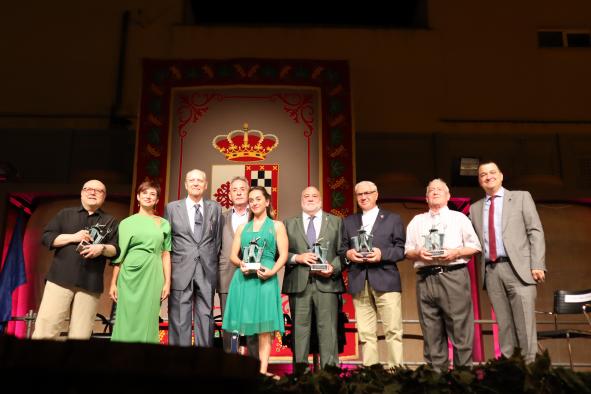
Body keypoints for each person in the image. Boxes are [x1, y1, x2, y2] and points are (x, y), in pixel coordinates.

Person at [470, 161, 546, 363]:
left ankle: (530, 372)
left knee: (525, 327)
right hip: (492, 271)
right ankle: (509, 372)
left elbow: (535, 231)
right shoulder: (475, 208)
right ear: (479, 181)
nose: (488, 176)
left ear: (501, 176)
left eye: (492, 172)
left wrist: (537, 263)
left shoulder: (521, 197)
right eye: (483, 174)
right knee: (504, 326)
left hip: (519, 270)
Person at [405, 179, 481, 371]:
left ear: (448, 196)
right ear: (426, 197)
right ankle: (436, 382)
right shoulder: (417, 221)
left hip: (453, 275)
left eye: (440, 190)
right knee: (431, 333)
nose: (435, 192)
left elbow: (475, 246)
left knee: (460, 332)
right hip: (425, 278)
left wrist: (455, 252)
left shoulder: (459, 218)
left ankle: (463, 380)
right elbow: (407, 251)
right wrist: (418, 253)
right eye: (431, 190)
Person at [33, 179, 119, 340]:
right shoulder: (65, 213)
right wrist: (72, 237)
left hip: (90, 283)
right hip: (60, 279)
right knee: (46, 329)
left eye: (98, 191)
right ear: (82, 193)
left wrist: (101, 248)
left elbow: (116, 250)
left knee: (81, 334)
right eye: (88, 189)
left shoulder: (111, 221)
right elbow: (47, 237)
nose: (93, 192)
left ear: (104, 196)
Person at [339, 180, 406, 368]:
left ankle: (396, 373)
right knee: (366, 333)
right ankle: (371, 374)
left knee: (393, 330)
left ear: (376, 195)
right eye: (360, 194)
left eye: (368, 193)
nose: (364, 197)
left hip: (386, 280)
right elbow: (342, 249)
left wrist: (382, 254)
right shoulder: (349, 221)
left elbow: (401, 250)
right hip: (359, 281)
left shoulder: (393, 219)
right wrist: (349, 254)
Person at [222, 186, 288, 377]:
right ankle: (240, 369)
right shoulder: (243, 227)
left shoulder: (277, 226)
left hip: (265, 279)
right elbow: (233, 255)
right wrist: (242, 263)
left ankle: (262, 371)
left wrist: (272, 271)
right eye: (251, 200)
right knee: (241, 326)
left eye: (258, 199)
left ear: (267, 201)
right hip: (244, 280)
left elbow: (283, 255)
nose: (254, 203)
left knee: (264, 329)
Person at [282, 186, 344, 368]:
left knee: (328, 332)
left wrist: (333, 268)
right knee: (299, 332)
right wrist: (297, 257)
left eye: (314, 195)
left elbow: (343, 251)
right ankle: (300, 376)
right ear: (301, 200)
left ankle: (330, 376)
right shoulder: (288, 223)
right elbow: (279, 253)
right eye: (306, 196)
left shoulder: (336, 221)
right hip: (299, 284)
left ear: (321, 199)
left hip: (327, 284)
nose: (310, 198)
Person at [164, 169, 223, 347]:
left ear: (205, 185)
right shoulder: (172, 208)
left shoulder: (215, 208)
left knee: (205, 316)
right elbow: (168, 241)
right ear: (186, 184)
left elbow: (217, 240)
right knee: (179, 316)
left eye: (200, 180)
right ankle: (179, 363)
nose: (196, 183)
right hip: (180, 269)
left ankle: (203, 363)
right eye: (192, 180)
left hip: (206, 268)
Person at [109, 180, 171, 343]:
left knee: (149, 317)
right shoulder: (126, 223)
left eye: (153, 194)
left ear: (157, 200)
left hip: (153, 272)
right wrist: (113, 283)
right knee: (126, 316)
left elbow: (166, 254)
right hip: (129, 274)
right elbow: (120, 255)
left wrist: (167, 282)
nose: (148, 197)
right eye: (145, 193)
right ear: (138, 196)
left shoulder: (164, 224)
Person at [218, 176, 259, 356]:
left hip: (253, 276)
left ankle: (254, 364)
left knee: (252, 322)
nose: (239, 192)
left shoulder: (258, 215)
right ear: (230, 194)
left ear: (248, 191)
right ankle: (230, 363)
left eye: (242, 188)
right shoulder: (221, 218)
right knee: (229, 322)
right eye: (235, 189)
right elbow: (216, 248)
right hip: (226, 274)